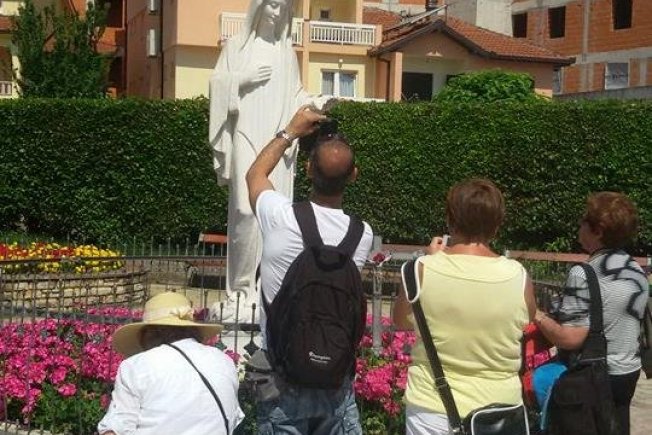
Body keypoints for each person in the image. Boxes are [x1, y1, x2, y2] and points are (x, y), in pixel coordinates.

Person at [245, 107, 374, 434]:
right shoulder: (362, 235)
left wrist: (290, 132)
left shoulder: (281, 217)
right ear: (354, 175)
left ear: (307, 170)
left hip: (282, 379)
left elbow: (255, 175)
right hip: (335, 381)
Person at [393, 178, 537, 435]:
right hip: (499, 409)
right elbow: (528, 319)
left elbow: (400, 320)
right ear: (497, 225)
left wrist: (431, 260)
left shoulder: (419, 271)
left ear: (450, 218)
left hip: (432, 407)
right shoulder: (519, 276)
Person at [208, 0, 307, 320]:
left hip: (278, 141)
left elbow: (297, 96)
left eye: (283, 8)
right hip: (245, 136)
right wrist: (242, 79)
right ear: (259, 6)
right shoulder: (237, 47)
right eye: (273, 5)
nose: (277, 13)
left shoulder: (286, 53)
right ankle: (240, 290)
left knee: (274, 216)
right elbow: (217, 83)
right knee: (244, 210)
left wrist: (316, 102)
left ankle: (269, 288)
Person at [535, 192, 648, 435]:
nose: (579, 225)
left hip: (595, 377)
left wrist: (538, 316)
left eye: (584, 220)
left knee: (541, 380)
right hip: (628, 372)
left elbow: (570, 338)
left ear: (598, 230)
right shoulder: (635, 270)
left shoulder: (584, 272)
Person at [97, 292, 244, 435]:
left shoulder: (136, 366)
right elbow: (233, 417)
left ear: (148, 334)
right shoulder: (224, 362)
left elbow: (117, 426)